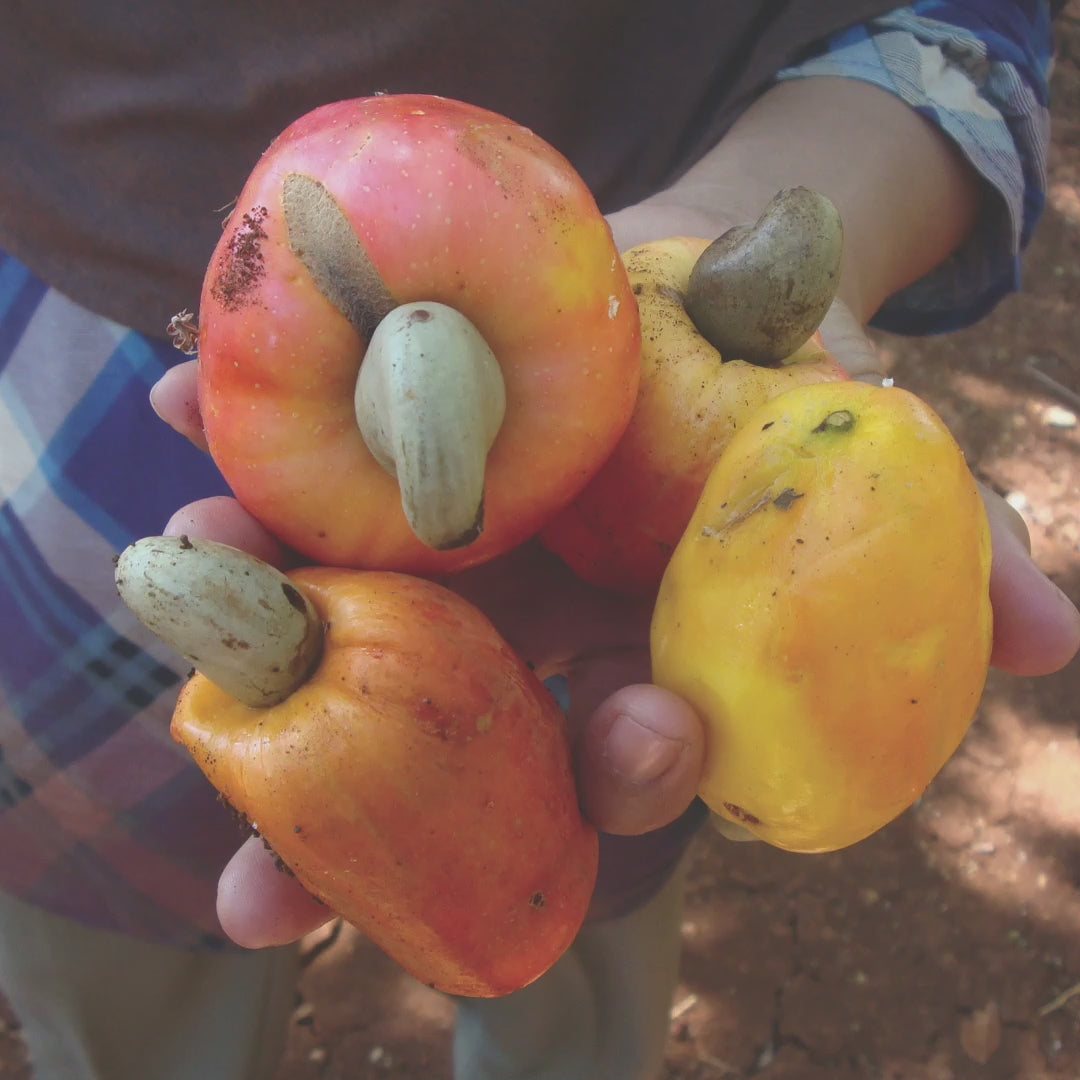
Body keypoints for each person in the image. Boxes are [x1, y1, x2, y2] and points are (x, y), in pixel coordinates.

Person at [2, 2, 1077, 1078]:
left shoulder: (716, 403)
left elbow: (965, 18)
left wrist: (761, 197)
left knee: (588, 859)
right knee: (121, 955)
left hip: (635, 328)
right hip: (63, 355)